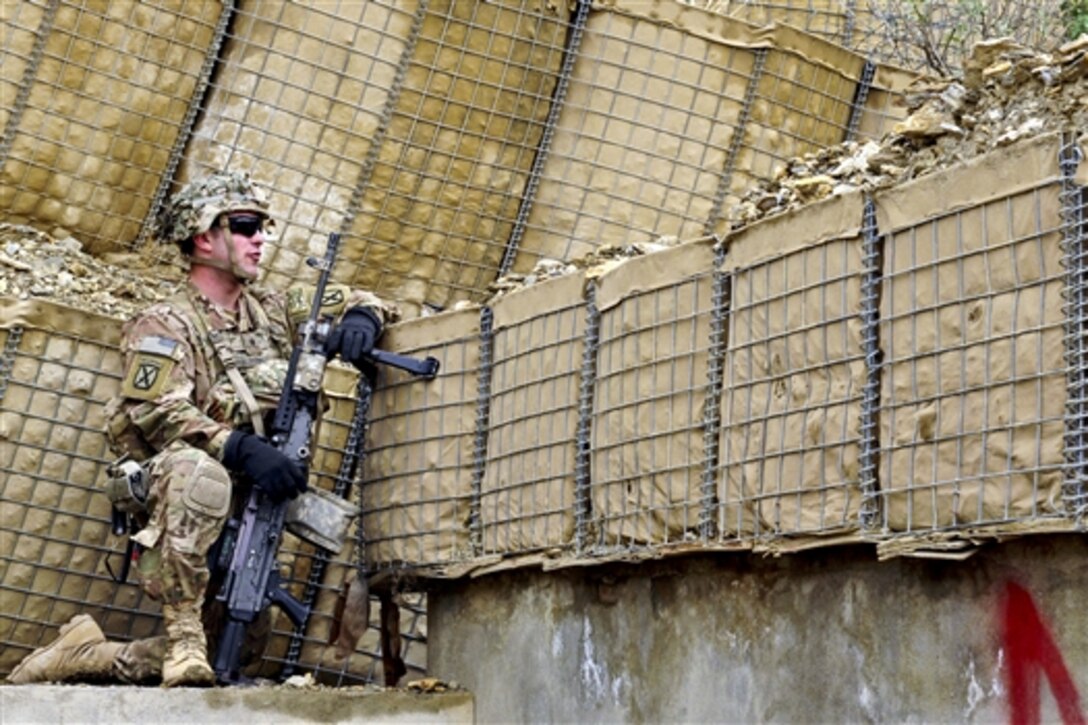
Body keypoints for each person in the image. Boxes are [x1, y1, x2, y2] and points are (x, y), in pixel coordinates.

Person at [6, 170, 397, 687]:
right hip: (183, 484)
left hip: (251, 495)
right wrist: (237, 446)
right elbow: (157, 413)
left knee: (243, 646)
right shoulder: (164, 324)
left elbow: (364, 298)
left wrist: (362, 320)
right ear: (203, 236)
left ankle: (81, 656)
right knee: (198, 473)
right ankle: (183, 632)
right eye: (245, 226)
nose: (260, 238)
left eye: (262, 228)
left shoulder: (276, 311)